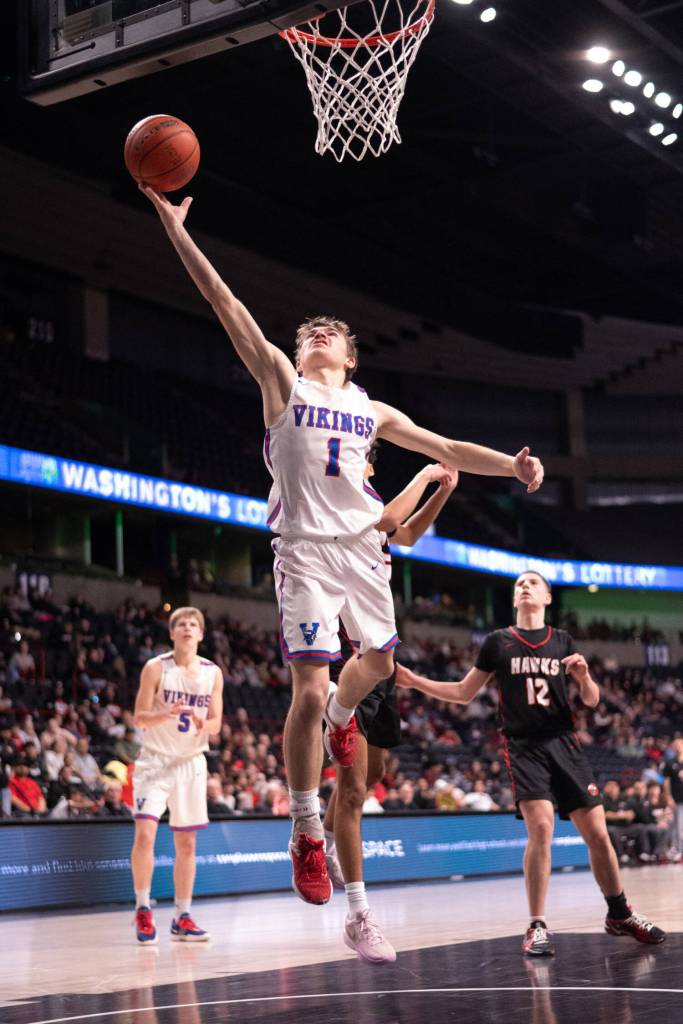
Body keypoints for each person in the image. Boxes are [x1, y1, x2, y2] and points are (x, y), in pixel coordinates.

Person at [141, 184, 544, 905]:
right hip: (302, 549)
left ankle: (336, 724)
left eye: (332, 331)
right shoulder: (281, 382)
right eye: (310, 330)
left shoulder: (371, 409)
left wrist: (511, 468)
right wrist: (174, 228)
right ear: (299, 349)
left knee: (381, 660)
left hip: (363, 550)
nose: (318, 333)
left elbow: (447, 445)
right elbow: (221, 301)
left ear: (352, 357)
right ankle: (303, 829)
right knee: (310, 683)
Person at [397, 570, 665, 955]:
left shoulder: (562, 641)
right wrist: (414, 681)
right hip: (524, 747)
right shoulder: (498, 642)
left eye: (532, 583)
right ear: (514, 599)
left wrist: (585, 677)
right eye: (519, 583)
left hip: (564, 743)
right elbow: (463, 692)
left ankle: (619, 912)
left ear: (547, 597)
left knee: (599, 834)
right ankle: (537, 924)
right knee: (541, 827)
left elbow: (591, 700)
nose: (524, 586)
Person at [324, 454, 458, 962]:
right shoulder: (342, 503)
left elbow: (404, 535)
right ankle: (358, 914)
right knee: (355, 789)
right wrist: (426, 475)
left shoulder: (375, 504)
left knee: (371, 772)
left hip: (382, 672)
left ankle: (322, 829)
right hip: (350, 665)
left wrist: (442, 491)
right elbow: (388, 523)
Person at [131, 606, 223, 945]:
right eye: (181, 624)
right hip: (154, 761)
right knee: (145, 836)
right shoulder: (156, 668)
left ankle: (182, 916)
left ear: (201, 634)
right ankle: (143, 908)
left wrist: (205, 724)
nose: (187, 627)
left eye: (193, 624)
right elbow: (139, 717)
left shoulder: (213, 673)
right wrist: (163, 713)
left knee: (187, 843)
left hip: (190, 763)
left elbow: (216, 723)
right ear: (172, 633)